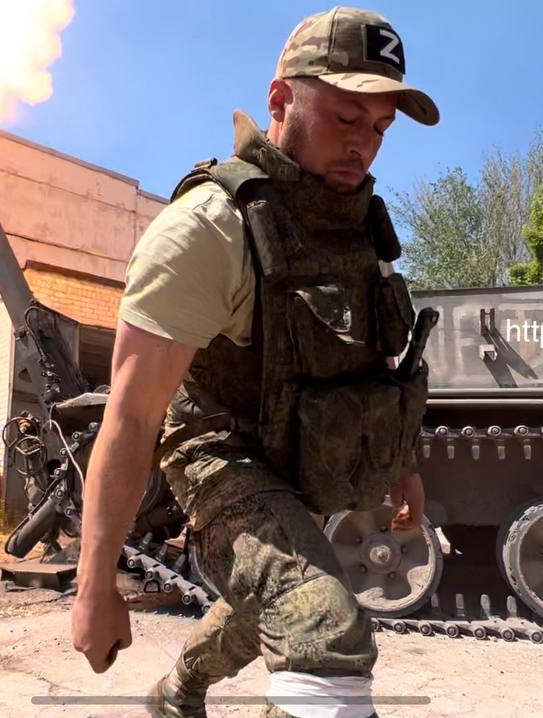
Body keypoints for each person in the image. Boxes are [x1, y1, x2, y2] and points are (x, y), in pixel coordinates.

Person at [71, 7, 438, 717]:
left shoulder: (357, 225)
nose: (362, 145)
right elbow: (132, 414)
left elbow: (375, 359)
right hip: (219, 452)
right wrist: (94, 584)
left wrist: (404, 464)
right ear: (280, 100)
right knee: (326, 629)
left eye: (379, 128)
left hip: (300, 449)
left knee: (276, 595)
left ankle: (177, 692)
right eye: (345, 117)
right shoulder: (209, 228)